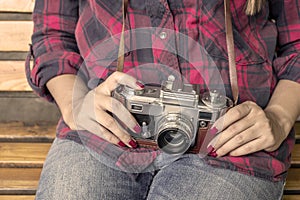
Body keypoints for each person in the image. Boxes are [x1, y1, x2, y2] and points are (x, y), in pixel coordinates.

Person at [26, 0, 300, 199]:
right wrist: (75, 104)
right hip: (105, 129)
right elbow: (53, 35)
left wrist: (279, 115)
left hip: (229, 139)